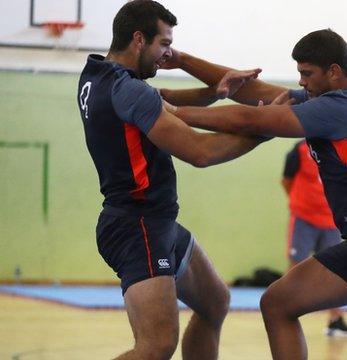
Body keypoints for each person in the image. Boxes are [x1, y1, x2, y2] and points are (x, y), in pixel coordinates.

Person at [169, 29, 347, 360]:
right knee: (278, 303)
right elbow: (252, 93)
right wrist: (182, 60)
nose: (302, 83)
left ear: (334, 72)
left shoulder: (341, 107)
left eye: (307, 74)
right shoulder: (324, 100)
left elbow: (247, 118)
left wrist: (172, 113)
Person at [76, 1, 267, 359]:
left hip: (154, 220)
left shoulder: (97, 76)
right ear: (138, 39)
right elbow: (200, 152)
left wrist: (217, 91)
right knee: (157, 345)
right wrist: (264, 128)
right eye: (164, 44)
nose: (167, 54)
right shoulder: (129, 90)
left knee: (214, 302)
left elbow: (162, 100)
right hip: (138, 224)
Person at [281, 140, 347, 337]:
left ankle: (336, 320)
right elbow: (286, 180)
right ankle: (284, 312)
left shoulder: (343, 148)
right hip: (303, 217)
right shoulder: (299, 149)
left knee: (336, 272)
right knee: (296, 265)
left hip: (331, 220)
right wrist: (301, 202)